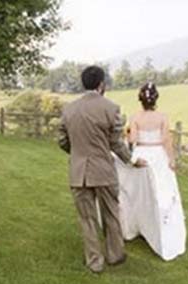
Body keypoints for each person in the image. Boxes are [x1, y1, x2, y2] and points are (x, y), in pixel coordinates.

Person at [58, 66, 146, 273]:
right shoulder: (111, 108)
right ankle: (115, 256)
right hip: (104, 171)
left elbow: (62, 140)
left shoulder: (69, 109)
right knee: (111, 214)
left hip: (78, 171)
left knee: (87, 219)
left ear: (83, 83)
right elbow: (115, 143)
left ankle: (94, 261)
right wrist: (131, 161)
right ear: (101, 84)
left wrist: (77, 152)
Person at [114, 82, 186, 261]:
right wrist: (171, 159)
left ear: (141, 100)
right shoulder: (162, 117)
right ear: (155, 99)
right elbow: (166, 140)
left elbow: (132, 139)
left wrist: (128, 133)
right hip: (158, 156)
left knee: (141, 193)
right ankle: (161, 229)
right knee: (162, 191)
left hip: (142, 155)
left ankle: (139, 225)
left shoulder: (135, 117)